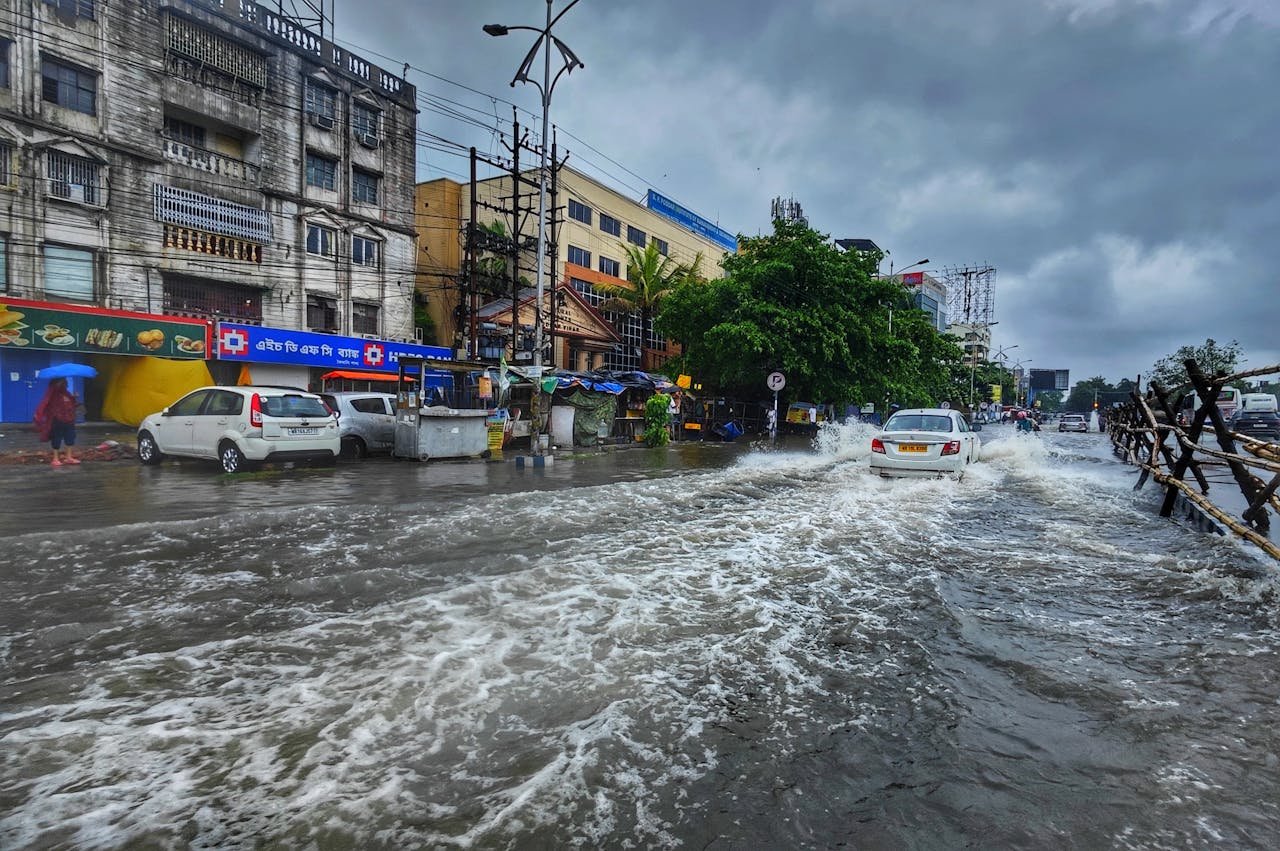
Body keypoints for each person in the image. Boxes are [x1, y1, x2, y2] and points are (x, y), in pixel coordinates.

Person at [34, 377, 80, 467]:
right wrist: (38, 415)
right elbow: (45, 403)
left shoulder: (67, 394)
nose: (65, 384)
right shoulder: (52, 393)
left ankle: (69, 457)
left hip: (69, 420)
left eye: (65, 382)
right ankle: (55, 459)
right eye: (62, 382)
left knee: (70, 437)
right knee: (57, 438)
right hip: (57, 420)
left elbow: (72, 405)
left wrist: (75, 397)